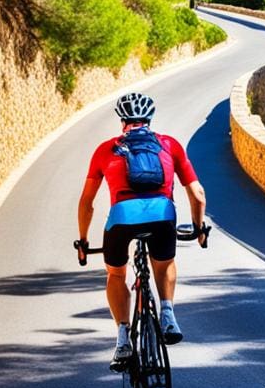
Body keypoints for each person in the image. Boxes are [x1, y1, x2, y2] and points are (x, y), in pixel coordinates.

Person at [77, 92, 207, 371]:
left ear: (122, 120)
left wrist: (83, 241)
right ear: (149, 118)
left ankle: (123, 339)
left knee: (116, 274)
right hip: (162, 215)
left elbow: (86, 203)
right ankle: (168, 314)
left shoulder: (105, 150)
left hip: (122, 219)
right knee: (165, 264)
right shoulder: (169, 145)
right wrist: (198, 228)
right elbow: (198, 194)